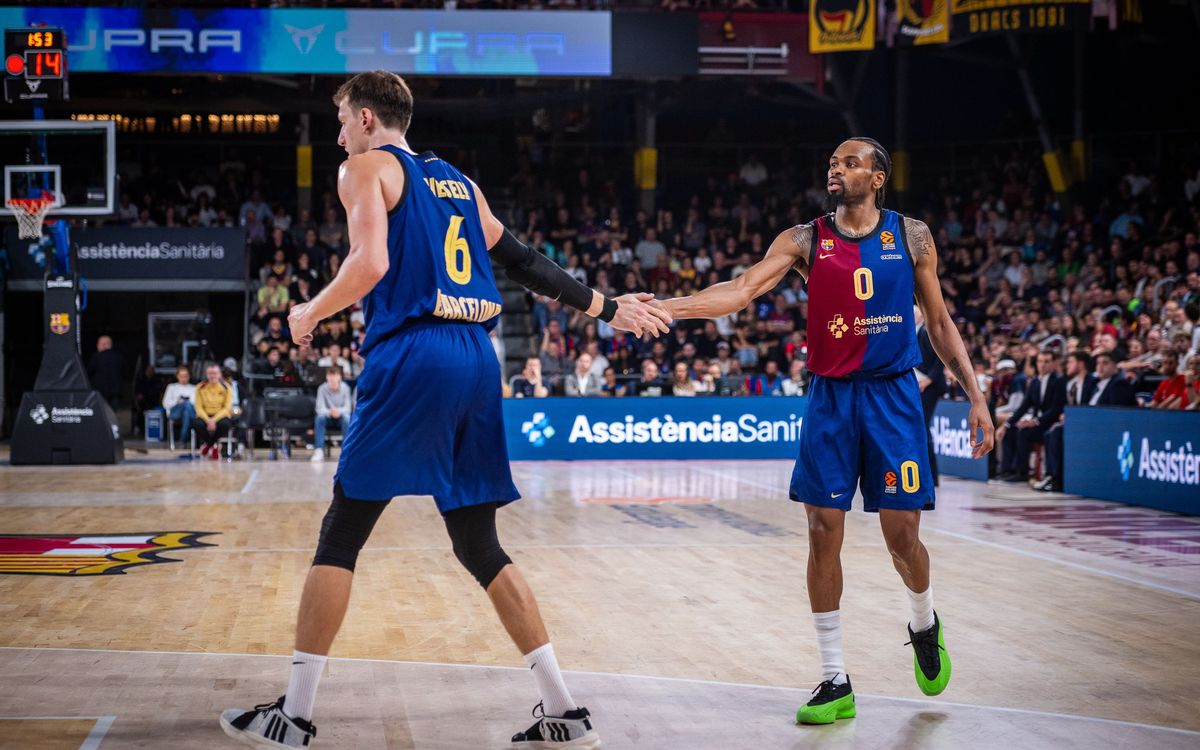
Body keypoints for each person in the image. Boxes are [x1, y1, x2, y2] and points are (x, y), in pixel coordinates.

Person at [220, 70, 668, 749]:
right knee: (478, 542)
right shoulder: (458, 181)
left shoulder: (365, 169)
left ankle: (295, 717)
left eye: (341, 120)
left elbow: (369, 265)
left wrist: (308, 309)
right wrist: (606, 309)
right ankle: (563, 711)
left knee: (341, 533)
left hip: (415, 355)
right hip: (474, 357)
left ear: (368, 119)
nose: (339, 134)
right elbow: (523, 261)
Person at [657, 138, 994, 725]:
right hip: (830, 399)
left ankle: (923, 621)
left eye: (850, 162)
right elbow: (740, 290)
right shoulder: (804, 238)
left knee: (901, 540)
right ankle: (834, 677)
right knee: (821, 531)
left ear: (879, 176)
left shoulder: (912, 236)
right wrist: (666, 306)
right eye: (833, 163)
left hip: (892, 397)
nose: (836, 169)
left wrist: (976, 397)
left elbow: (938, 322)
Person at [996, 350, 1066, 483]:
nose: (1042, 365)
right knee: (1011, 430)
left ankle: (1022, 472)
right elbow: (1024, 407)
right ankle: (1007, 470)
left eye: (1046, 362)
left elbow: (1056, 409)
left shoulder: (1059, 381)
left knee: (1023, 432)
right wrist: (1006, 425)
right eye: (1040, 361)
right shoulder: (1035, 382)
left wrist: (1035, 421)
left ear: (1053, 363)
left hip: (1049, 424)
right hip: (1036, 424)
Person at [1034, 351, 1097, 493]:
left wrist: (1072, 417)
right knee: (1050, 433)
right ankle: (1051, 476)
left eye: (1070, 362)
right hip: (1074, 422)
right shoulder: (1071, 383)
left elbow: (1090, 407)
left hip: (1087, 424)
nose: (1067, 365)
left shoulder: (1092, 382)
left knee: (1055, 432)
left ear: (1080, 364)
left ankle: (1057, 479)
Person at [913, 307, 948, 486]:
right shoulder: (917, 334)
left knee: (923, 428)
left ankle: (932, 476)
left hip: (931, 386)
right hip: (921, 384)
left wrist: (928, 380)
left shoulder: (926, 332)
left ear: (918, 317)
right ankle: (926, 474)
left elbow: (940, 359)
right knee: (920, 428)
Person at [192, 362, 233, 459]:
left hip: (219, 415)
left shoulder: (227, 388)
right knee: (197, 424)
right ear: (206, 375)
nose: (212, 376)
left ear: (219, 374)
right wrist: (208, 420)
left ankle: (208, 445)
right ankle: (214, 445)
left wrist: (214, 420)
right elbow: (198, 408)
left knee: (225, 424)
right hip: (205, 415)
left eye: (215, 373)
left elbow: (226, 408)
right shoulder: (200, 387)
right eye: (210, 373)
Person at [311, 367, 353, 462]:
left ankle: (346, 451)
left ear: (339, 377)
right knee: (319, 418)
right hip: (328, 417)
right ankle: (319, 450)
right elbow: (319, 408)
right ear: (327, 377)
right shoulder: (322, 388)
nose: (333, 379)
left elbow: (348, 408)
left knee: (347, 418)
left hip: (341, 418)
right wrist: (330, 412)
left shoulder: (346, 388)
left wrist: (338, 411)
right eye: (331, 376)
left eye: (335, 376)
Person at [161, 365, 196, 445]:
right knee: (187, 405)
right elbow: (165, 403)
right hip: (175, 412)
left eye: (186, 376)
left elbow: (196, 404)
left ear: (189, 376)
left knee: (187, 410)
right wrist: (177, 402)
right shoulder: (172, 387)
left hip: (189, 412)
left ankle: (182, 439)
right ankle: (185, 438)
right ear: (177, 376)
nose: (183, 378)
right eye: (181, 376)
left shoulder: (194, 388)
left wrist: (187, 403)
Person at [87, 335, 124, 409]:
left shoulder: (96, 357)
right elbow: (123, 372)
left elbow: (89, 372)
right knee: (112, 413)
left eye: (98, 344)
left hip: (100, 391)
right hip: (115, 391)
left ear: (102, 345)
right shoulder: (118, 356)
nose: (97, 346)